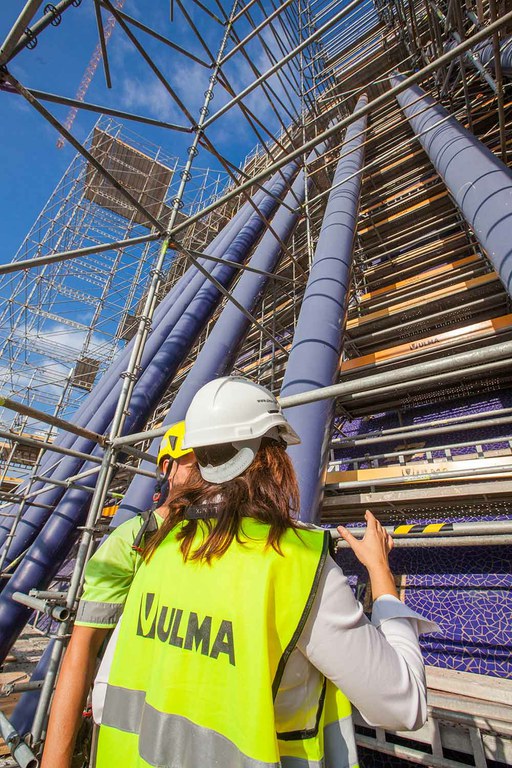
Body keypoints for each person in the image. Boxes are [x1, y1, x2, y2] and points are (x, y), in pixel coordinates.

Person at [41, 421, 197, 768]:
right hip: (126, 738)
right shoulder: (131, 540)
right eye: (193, 459)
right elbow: (82, 648)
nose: (206, 470)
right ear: (166, 467)